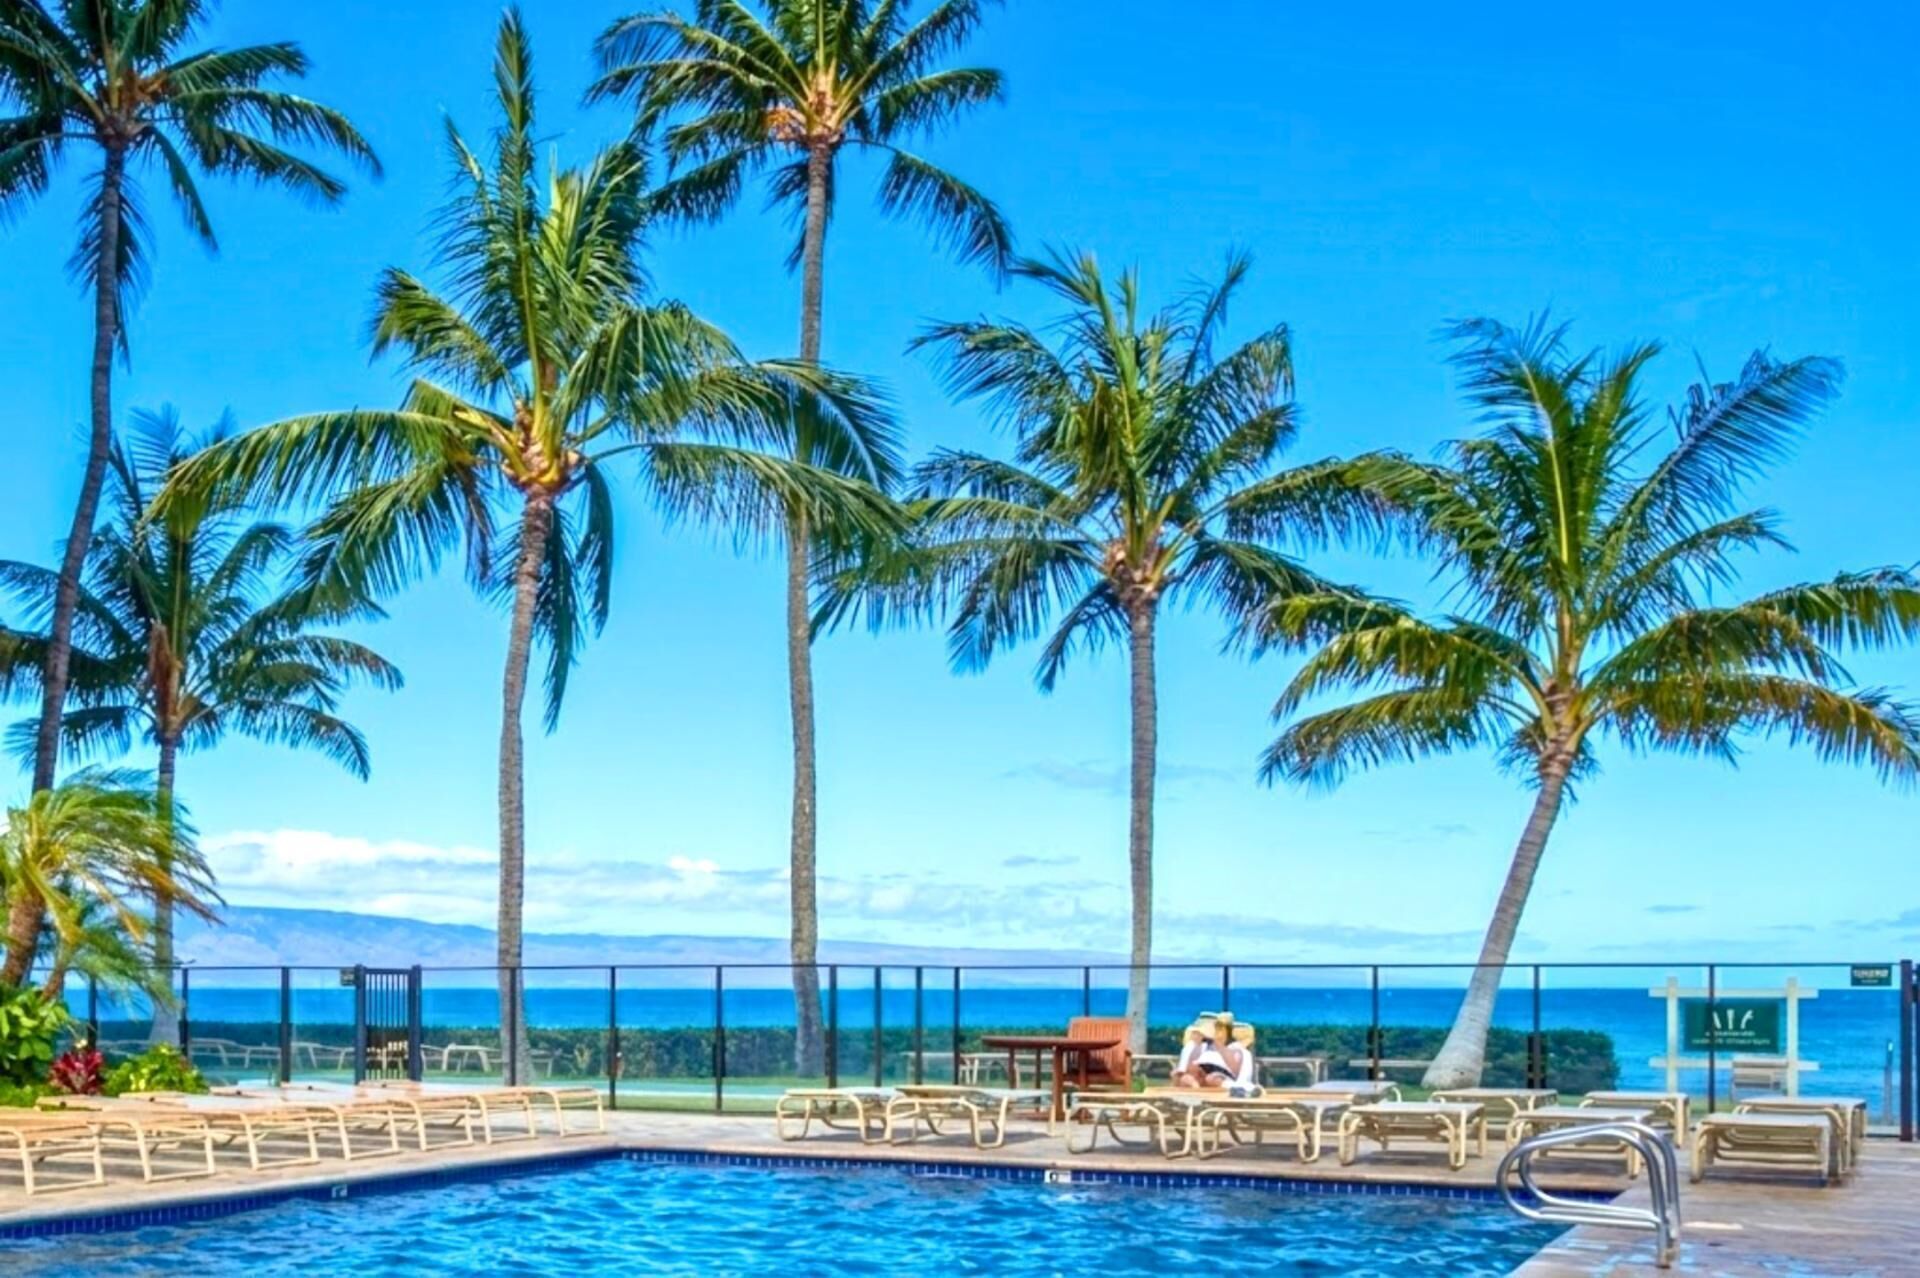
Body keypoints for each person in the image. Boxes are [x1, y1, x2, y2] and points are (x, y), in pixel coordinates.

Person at [1173, 1013, 1255, 1090]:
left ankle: (1238, 1088)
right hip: (1201, 1080)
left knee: (1211, 1079)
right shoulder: (1194, 1047)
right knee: (1190, 1079)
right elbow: (1181, 1073)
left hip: (1219, 1080)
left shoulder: (1240, 1052)